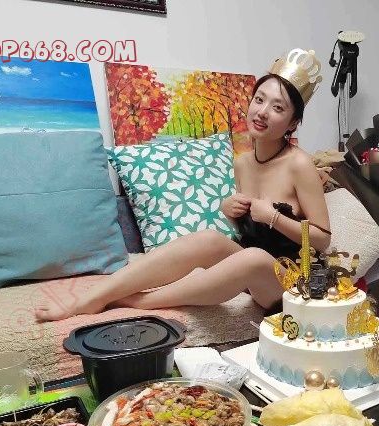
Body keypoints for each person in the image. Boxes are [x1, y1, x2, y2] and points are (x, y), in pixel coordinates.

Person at [35, 48, 331, 321]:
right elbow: (252, 231)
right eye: (259, 99)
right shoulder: (243, 162)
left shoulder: (299, 164)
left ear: (293, 123)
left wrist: (274, 217)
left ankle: (136, 302)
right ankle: (94, 296)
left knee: (253, 258)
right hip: (253, 273)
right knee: (208, 239)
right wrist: (231, 211)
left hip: (295, 283)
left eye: (278, 107)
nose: (263, 111)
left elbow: (322, 238)